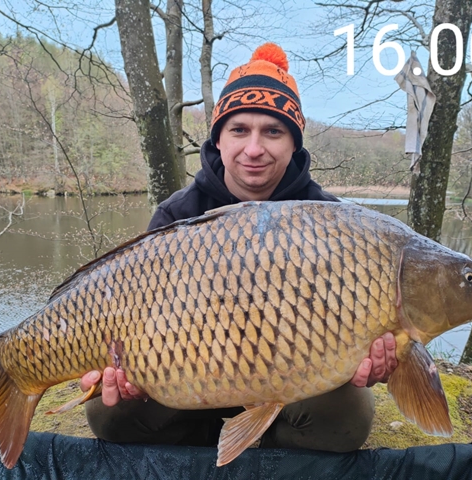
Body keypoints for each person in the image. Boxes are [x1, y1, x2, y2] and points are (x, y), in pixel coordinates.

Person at [80, 43, 398, 454]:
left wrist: (369, 355)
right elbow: (133, 309)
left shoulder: (332, 222)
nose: (254, 148)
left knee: (350, 415)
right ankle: (198, 448)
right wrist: (127, 367)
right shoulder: (177, 214)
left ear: (294, 143)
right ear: (219, 139)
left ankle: (275, 455)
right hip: (188, 376)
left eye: (273, 131)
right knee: (107, 413)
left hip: (290, 380)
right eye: (239, 130)